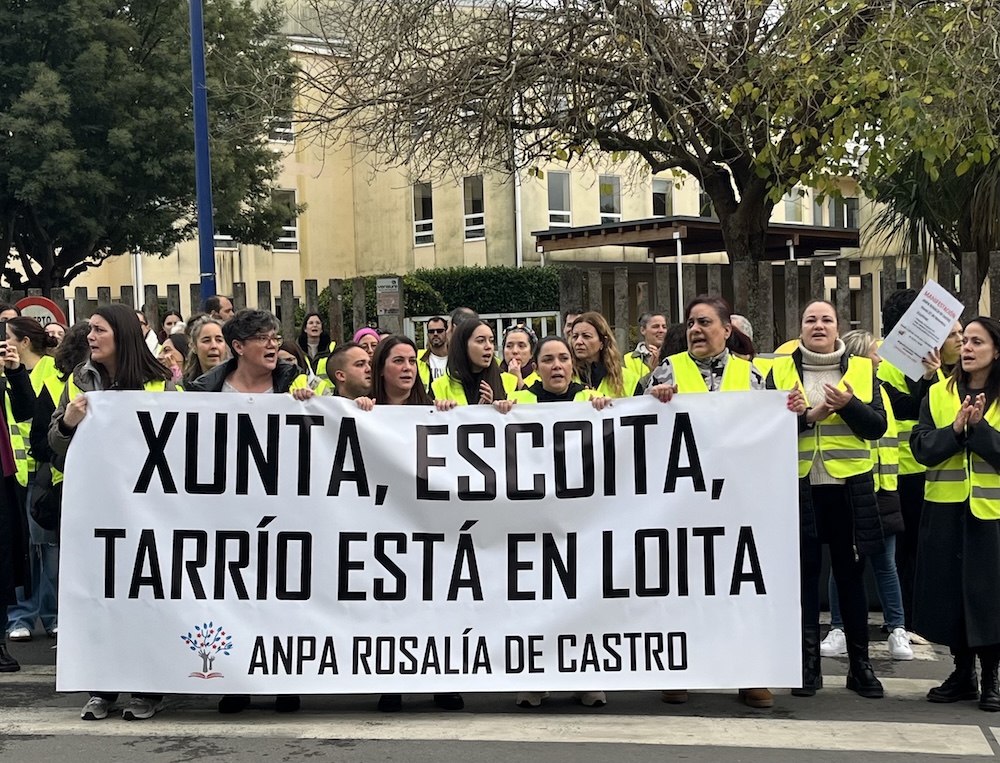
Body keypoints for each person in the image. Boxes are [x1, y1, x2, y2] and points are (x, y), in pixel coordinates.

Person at [48, 304, 176, 721]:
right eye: (90, 331)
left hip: (151, 514)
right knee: (100, 596)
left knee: (149, 597)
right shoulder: (79, 381)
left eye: (99, 330)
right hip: (98, 512)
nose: (90, 337)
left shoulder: (164, 385)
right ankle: (101, 687)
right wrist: (67, 423)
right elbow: (57, 444)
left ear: (121, 335)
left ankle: (148, 689)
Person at [646, 295, 770, 709]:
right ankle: (679, 672)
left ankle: (749, 674)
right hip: (682, 504)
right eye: (691, 323)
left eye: (704, 322)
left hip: (737, 503)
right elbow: (631, 427)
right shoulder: (668, 369)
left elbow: (769, 429)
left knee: (739, 590)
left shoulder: (753, 375)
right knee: (682, 588)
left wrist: (791, 409)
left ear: (726, 329)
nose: (696, 330)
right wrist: (653, 399)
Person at [187, 310, 308, 714]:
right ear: (238, 347)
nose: (273, 344)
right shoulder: (205, 393)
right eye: (262, 338)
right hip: (227, 514)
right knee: (234, 596)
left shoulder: (298, 384)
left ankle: (285, 681)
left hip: (287, 511)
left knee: (284, 596)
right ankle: (236, 680)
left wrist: (314, 404)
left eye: (275, 336)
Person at [767, 300, 887, 699]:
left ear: (838, 327)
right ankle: (808, 668)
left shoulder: (863, 370)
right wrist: (806, 418)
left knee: (851, 579)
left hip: (849, 488)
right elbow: (764, 430)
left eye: (826, 320)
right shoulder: (779, 371)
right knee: (803, 581)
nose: (818, 325)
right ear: (799, 328)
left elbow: (877, 427)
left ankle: (861, 667)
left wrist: (847, 405)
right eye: (810, 319)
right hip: (798, 487)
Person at [495, 335, 611, 709]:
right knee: (535, 601)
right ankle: (534, 679)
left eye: (563, 358)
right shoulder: (522, 400)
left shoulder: (586, 398)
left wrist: (606, 410)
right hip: (533, 519)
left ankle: (585, 679)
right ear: (537, 365)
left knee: (581, 600)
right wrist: (498, 413)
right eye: (548, 359)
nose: (556, 366)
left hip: (580, 519)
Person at [363, 334, 465, 713]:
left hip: (429, 523)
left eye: (412, 361)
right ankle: (393, 681)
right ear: (381, 369)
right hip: (384, 523)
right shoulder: (364, 411)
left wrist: (455, 413)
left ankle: (442, 680)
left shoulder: (435, 410)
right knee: (392, 602)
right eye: (398, 361)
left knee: (435, 601)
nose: (407, 368)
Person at [911, 316, 1000, 712]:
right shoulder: (937, 394)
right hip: (945, 511)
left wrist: (978, 430)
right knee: (949, 595)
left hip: (991, 514)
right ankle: (962, 673)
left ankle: (992, 678)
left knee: (989, 598)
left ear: (996, 351)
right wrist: (957, 430)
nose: (966, 348)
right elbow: (923, 448)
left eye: (977, 342)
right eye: (964, 341)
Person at [822, 330, 912, 661]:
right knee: (843, 564)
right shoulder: (845, 388)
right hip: (851, 488)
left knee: (885, 563)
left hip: (883, 491)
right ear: (860, 357)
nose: (880, 359)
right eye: (875, 353)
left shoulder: (882, 392)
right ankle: (839, 627)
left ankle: (896, 628)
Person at [877, 289, 952, 638]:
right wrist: (929, 378)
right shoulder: (883, 364)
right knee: (903, 552)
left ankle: (915, 618)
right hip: (901, 469)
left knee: (918, 552)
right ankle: (903, 620)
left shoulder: (937, 366)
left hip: (926, 468)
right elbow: (910, 409)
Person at [4, 318, 59, 642]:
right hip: (13, 473)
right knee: (20, 549)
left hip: (43, 472)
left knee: (47, 549)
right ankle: (20, 615)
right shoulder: (3, 370)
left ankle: (51, 613)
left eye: (8, 337)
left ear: (24, 342)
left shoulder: (52, 371)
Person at [0, 329, 36, 673]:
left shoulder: (6, 370)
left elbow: (25, 410)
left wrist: (13, 370)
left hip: (5, 474)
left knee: (4, 558)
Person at [430, 320, 514, 404]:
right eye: (480, 341)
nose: (489, 346)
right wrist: (444, 411)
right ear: (463, 345)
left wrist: (493, 409)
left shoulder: (510, 382)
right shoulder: (439, 386)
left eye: (491, 341)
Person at [569, 312, 641, 397]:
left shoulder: (629, 380)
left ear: (603, 342)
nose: (578, 342)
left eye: (586, 336)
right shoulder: (565, 378)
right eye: (575, 336)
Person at [183, 316, 228, 386]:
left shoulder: (240, 384)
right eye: (206, 341)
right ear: (194, 346)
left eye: (219, 340)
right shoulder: (183, 386)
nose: (214, 346)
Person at [625, 312, 668, 377]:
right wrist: (653, 372)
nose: (661, 330)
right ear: (643, 330)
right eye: (655, 327)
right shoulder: (629, 359)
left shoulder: (673, 356)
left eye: (664, 327)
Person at [500, 323, 538, 390]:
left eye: (521, 346)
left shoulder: (540, 378)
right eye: (509, 346)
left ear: (532, 352)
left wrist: (518, 379)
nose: (515, 351)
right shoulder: (494, 376)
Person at [297, 312, 332, 380]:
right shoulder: (298, 349)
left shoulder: (330, 348)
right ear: (305, 329)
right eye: (311, 323)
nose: (315, 325)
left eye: (318, 323)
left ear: (322, 329)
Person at [417, 316, 449, 389]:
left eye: (439, 331)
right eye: (431, 331)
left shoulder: (457, 358)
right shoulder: (418, 358)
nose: (435, 334)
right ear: (427, 334)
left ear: (446, 332)